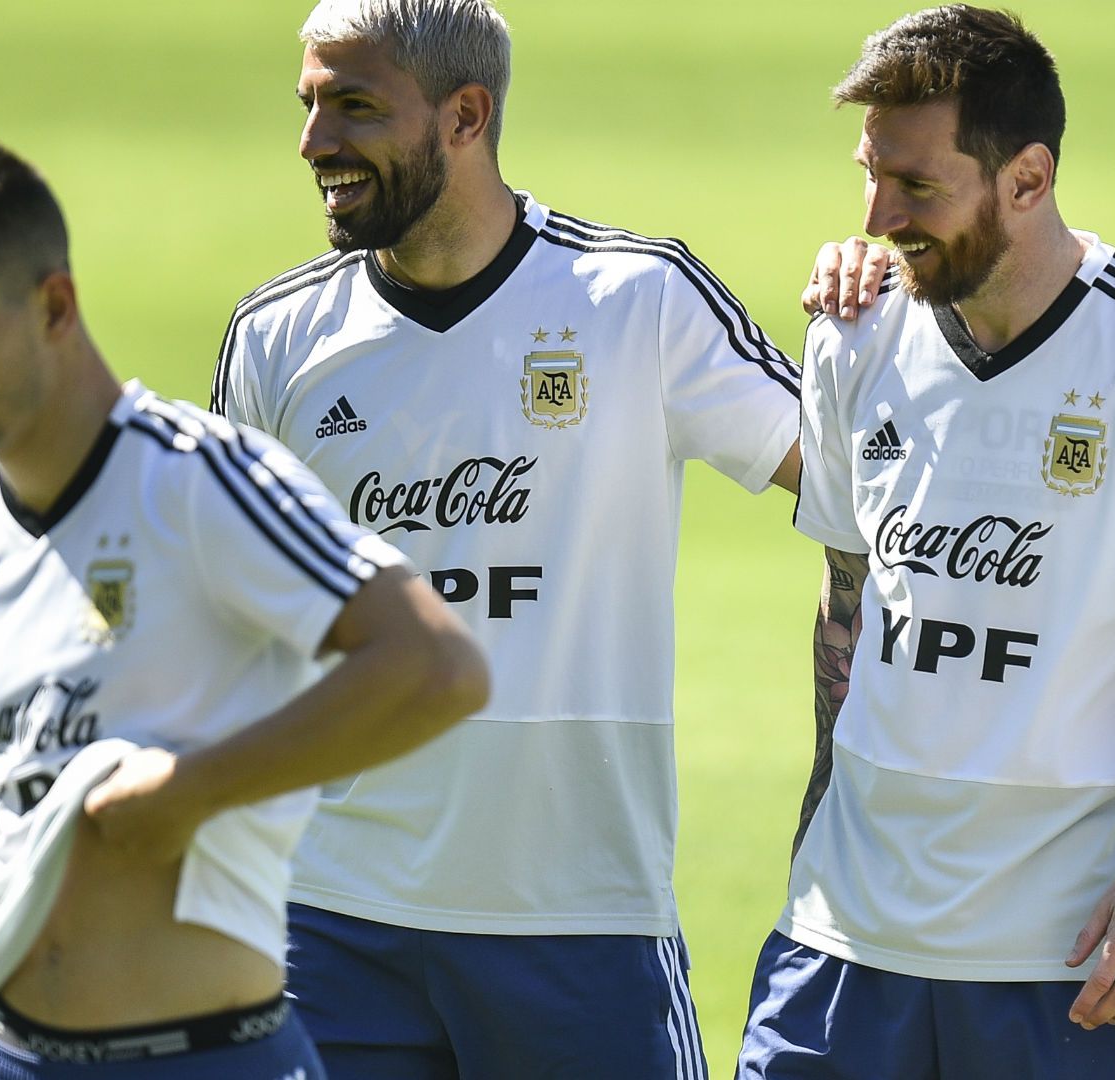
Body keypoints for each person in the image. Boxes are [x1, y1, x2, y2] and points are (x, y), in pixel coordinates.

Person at [210, 1, 801, 1074]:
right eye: (307, 105)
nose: (313, 143)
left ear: (466, 116)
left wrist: (891, 301)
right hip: (334, 918)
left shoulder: (637, 300)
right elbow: (225, 623)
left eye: (353, 106)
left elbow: (862, 481)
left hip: (576, 915)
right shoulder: (277, 338)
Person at [0, 134, 489, 1080]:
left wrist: (192, 791)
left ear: (54, 305)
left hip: (203, 1055)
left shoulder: (200, 483)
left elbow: (438, 666)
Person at [736, 8, 1115, 1077]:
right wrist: (814, 845)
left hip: (1070, 961)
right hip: (843, 944)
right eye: (870, 174)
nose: (878, 216)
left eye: (917, 186)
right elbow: (847, 606)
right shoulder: (852, 335)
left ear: (1028, 177)